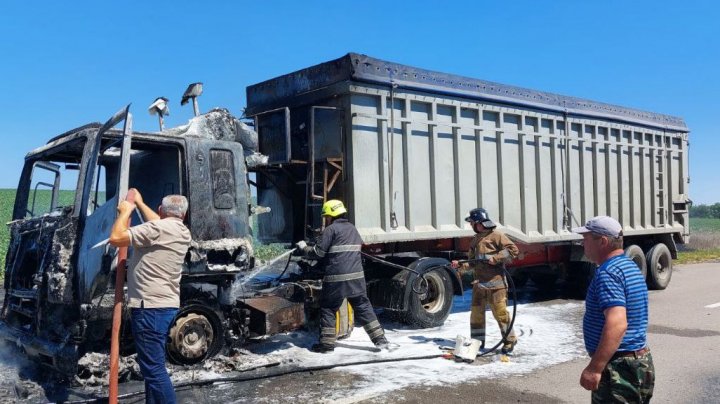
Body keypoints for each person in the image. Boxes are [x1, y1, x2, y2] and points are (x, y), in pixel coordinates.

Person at [109, 189, 191, 404]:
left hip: (149, 308)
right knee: (153, 367)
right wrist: (141, 203)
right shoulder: (181, 230)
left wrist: (125, 212)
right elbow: (159, 223)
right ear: (183, 214)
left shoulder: (158, 228)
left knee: (154, 371)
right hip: (164, 305)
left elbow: (116, 238)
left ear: (161, 210)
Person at [572, 216, 655, 403]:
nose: (582, 245)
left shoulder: (608, 273)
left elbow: (617, 324)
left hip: (619, 368)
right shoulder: (629, 267)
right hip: (639, 361)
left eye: (585, 239)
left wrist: (594, 368)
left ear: (602, 241)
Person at [296, 199, 389, 353]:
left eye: (326, 216)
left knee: (328, 308)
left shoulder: (331, 230)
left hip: (336, 280)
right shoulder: (352, 229)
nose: (325, 219)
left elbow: (318, 253)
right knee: (363, 307)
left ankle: (326, 345)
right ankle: (380, 340)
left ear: (331, 214)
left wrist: (304, 248)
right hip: (357, 278)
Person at [451, 208, 519, 353]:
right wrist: (461, 265)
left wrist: (496, 258)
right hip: (479, 286)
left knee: (501, 315)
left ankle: (509, 340)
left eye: (472, 223)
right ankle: (477, 342)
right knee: (476, 316)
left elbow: (513, 250)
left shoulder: (497, 236)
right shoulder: (475, 240)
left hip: (496, 286)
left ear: (480, 223)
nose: (471, 226)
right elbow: (472, 262)